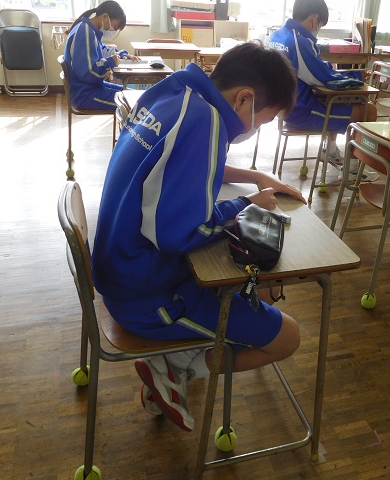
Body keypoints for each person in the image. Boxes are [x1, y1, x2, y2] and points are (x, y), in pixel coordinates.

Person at [92, 42, 306, 432]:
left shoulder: (178, 91)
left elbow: (186, 162)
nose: (256, 128)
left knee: (256, 286)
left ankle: (177, 358)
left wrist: (256, 177)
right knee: (287, 336)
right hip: (149, 297)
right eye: (263, 121)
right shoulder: (205, 121)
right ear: (245, 99)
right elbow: (182, 234)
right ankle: (179, 367)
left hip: (122, 269)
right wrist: (244, 204)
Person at [269, 0, 379, 182]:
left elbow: (314, 72)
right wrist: (356, 76)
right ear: (314, 19)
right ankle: (351, 171)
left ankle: (330, 150)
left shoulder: (278, 36)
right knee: (368, 110)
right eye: (320, 24)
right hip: (301, 111)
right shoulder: (299, 41)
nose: (318, 28)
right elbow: (324, 78)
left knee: (339, 102)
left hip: (283, 107)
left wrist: (341, 73)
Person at [64, 0, 139, 110]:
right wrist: (109, 63)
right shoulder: (84, 32)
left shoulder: (91, 30)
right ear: (105, 16)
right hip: (85, 95)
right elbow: (88, 73)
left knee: (135, 96)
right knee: (134, 105)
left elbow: (103, 51)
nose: (111, 30)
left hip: (92, 88)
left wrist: (121, 55)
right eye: (114, 27)